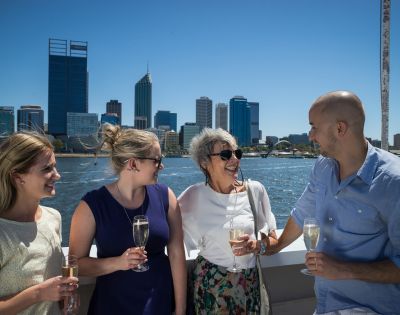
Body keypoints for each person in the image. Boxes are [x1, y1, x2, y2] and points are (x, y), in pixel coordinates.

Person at [269, 91, 400, 315]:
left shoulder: (392, 181)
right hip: (325, 306)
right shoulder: (322, 166)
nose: (310, 135)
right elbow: (302, 213)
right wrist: (274, 246)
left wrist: (343, 270)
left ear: (340, 129)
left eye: (314, 127)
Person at [69, 124, 186, 315]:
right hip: (113, 306)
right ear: (133, 163)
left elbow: (176, 253)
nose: (161, 166)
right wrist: (117, 263)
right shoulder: (91, 205)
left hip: (160, 302)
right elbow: (75, 265)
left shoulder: (166, 196)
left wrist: (180, 309)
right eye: (156, 160)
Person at [178, 128, 277, 314]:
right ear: (204, 162)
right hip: (210, 285)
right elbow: (164, 225)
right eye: (225, 154)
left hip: (249, 284)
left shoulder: (255, 191)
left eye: (237, 153)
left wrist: (257, 246)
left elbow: (272, 239)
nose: (235, 159)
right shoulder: (194, 196)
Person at [0, 132, 78, 314]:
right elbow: (43, 291)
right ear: (18, 176)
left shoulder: (54, 218)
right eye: (47, 169)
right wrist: (38, 293)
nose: (57, 175)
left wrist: (65, 297)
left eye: (55, 167)